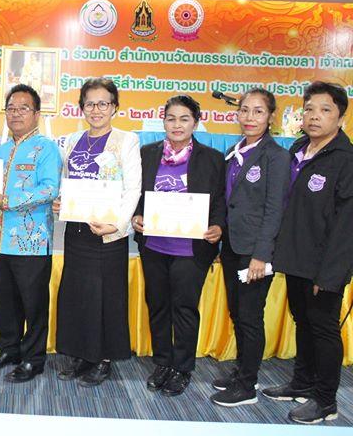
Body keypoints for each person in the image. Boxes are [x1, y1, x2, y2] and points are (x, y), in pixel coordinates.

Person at [263, 81, 353, 424]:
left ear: (341, 118)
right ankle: (301, 383)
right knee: (303, 322)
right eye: (310, 109)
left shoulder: (345, 160)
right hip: (296, 258)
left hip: (324, 266)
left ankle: (325, 400)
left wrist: (330, 274)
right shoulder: (300, 149)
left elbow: (346, 226)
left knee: (324, 329)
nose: (315, 116)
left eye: (325, 110)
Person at [131, 94, 225, 396]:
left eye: (184, 119)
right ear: (163, 121)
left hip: (191, 249)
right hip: (154, 245)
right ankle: (162, 362)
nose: (177, 124)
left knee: (184, 308)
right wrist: (136, 216)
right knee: (158, 305)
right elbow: (135, 194)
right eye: (171, 118)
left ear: (195, 123)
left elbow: (220, 200)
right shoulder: (147, 154)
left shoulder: (212, 158)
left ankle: (182, 368)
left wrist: (218, 226)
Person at [53, 78, 141, 387]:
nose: (96, 109)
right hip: (77, 231)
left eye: (103, 103)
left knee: (107, 297)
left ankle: (103, 358)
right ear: (81, 108)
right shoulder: (71, 140)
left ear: (115, 107)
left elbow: (133, 188)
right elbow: (66, 181)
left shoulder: (126, 140)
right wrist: (60, 201)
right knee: (78, 294)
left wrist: (117, 223)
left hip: (108, 233)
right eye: (90, 103)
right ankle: (82, 354)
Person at [210, 89, 290, 407]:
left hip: (255, 251)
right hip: (233, 245)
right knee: (237, 312)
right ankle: (242, 371)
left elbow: (275, 209)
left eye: (258, 111)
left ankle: (247, 386)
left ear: (270, 116)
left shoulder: (276, 156)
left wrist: (261, 255)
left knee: (250, 316)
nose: (249, 117)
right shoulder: (235, 151)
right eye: (244, 110)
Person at [0, 84, 62, 383]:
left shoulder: (46, 149)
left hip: (32, 243)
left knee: (33, 305)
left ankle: (33, 359)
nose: (15, 114)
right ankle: (9, 350)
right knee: (7, 301)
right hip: (2, 241)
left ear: (37, 114)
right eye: (11, 108)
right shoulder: (2, 150)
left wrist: (11, 201)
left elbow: (50, 189)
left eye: (23, 108)